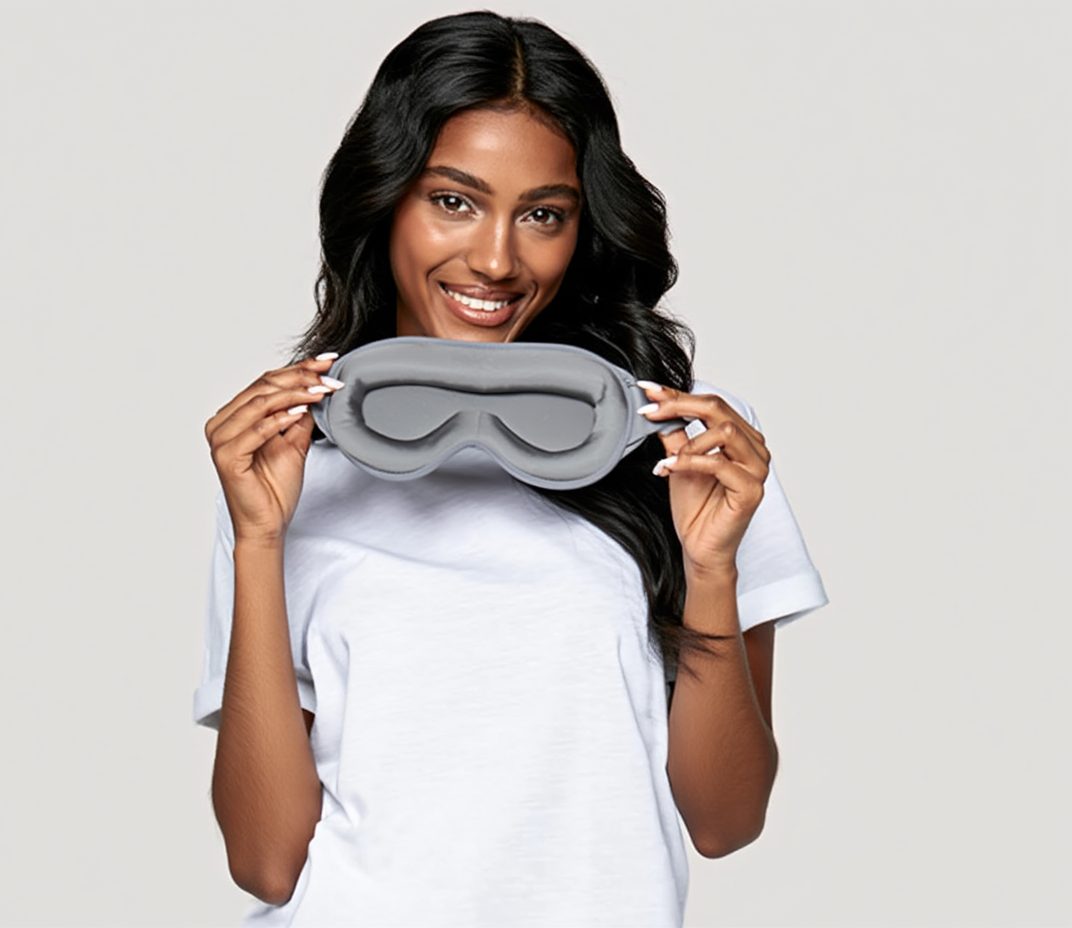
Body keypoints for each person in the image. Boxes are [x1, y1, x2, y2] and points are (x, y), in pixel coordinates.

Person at [195, 11, 826, 927]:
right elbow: (264, 863)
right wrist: (260, 538)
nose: (495, 259)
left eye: (542, 214)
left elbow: (725, 821)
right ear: (386, 200)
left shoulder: (685, 447)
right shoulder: (290, 462)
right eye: (453, 201)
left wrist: (712, 567)